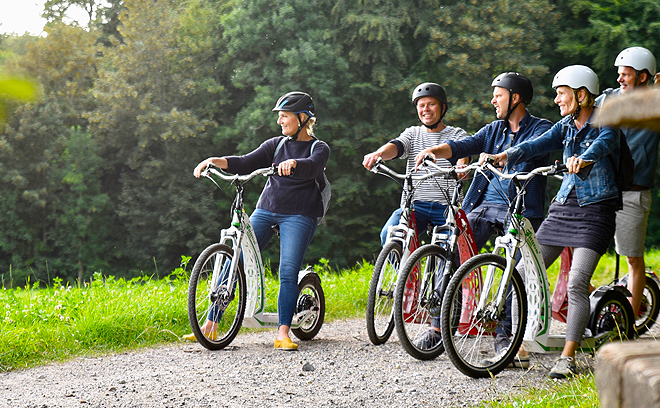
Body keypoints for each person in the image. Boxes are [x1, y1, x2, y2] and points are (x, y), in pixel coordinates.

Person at [480, 65, 620, 379]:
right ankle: (520, 349)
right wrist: (506, 155)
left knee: (576, 283)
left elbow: (604, 143)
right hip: (563, 207)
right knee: (521, 273)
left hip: (596, 209)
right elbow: (538, 144)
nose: (556, 99)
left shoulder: (606, 120)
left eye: (561, 93)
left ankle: (568, 358)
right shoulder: (566, 125)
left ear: (581, 94)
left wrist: (584, 158)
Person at [414, 72, 553, 352]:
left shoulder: (541, 128)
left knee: (512, 272)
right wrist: (434, 151)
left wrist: (505, 156)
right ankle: (439, 328)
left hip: (519, 209)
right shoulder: (493, 130)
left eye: (498, 95)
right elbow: (465, 145)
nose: (493, 100)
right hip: (481, 206)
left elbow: (533, 149)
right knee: (450, 255)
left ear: (515, 98)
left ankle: (506, 341)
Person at [190, 91, 329, 351]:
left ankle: (283, 333)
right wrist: (213, 161)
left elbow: (312, 166)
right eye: (280, 117)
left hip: (300, 214)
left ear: (302, 118)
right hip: (267, 209)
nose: (280, 121)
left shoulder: (318, 147)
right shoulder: (275, 145)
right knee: (237, 260)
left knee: (287, 271)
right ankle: (210, 325)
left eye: (285, 116)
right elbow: (244, 162)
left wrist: (294, 164)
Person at [597, 47, 660, 321]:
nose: (620, 78)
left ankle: (629, 325)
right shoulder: (608, 98)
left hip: (633, 193)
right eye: (619, 74)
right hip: (602, 190)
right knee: (582, 254)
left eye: (626, 74)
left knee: (632, 258)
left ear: (644, 76)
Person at [361, 82, 469, 247]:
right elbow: (397, 146)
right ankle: (407, 273)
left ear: (443, 108)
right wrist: (378, 154)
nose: (426, 109)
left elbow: (463, 152)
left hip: (446, 208)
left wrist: (462, 165)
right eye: (421, 105)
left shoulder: (457, 134)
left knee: (450, 248)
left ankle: (444, 273)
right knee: (389, 236)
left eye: (431, 104)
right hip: (415, 205)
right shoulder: (413, 133)